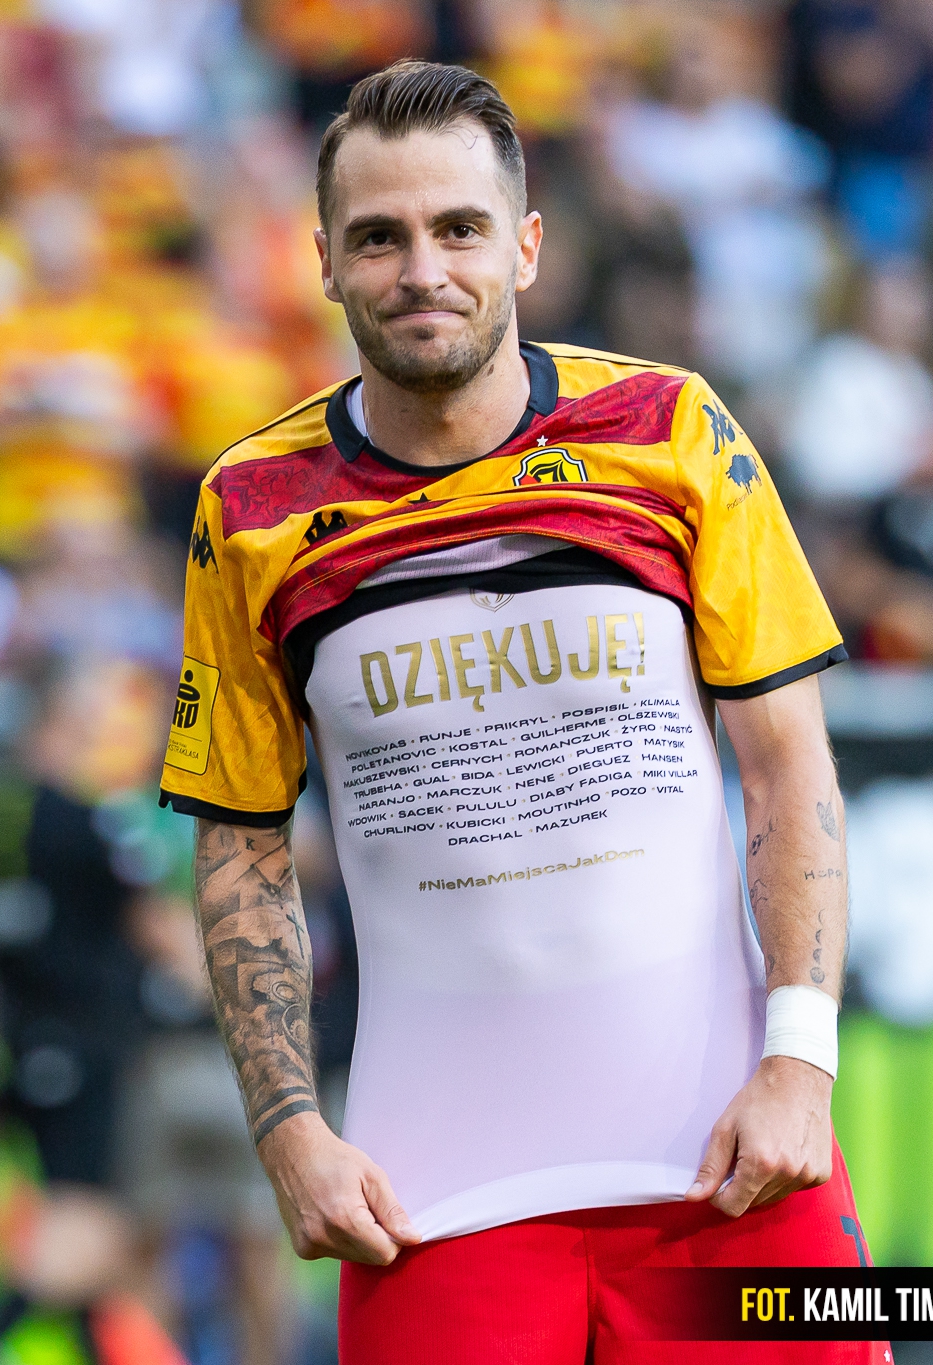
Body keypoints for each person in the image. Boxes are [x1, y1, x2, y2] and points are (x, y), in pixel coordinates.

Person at [157, 59, 889, 1365]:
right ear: (322, 260)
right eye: (377, 237)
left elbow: (790, 769)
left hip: (733, 1171)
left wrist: (799, 1061)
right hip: (432, 1210)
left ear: (527, 247)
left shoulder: (669, 429)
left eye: (459, 229)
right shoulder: (252, 506)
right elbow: (240, 842)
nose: (421, 270)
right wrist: (287, 1129)